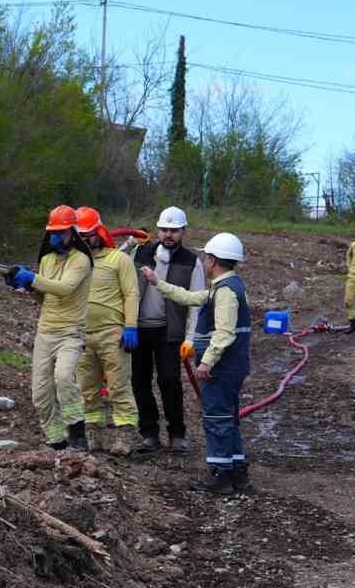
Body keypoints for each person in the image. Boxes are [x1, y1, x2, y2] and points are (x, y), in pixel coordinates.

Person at [141, 232, 252, 495]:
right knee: (228, 418)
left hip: (223, 369)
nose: (204, 260)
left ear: (213, 260)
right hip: (231, 368)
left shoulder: (225, 292)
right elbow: (189, 297)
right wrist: (158, 282)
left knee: (217, 419)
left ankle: (220, 476)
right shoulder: (227, 286)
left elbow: (224, 334)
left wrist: (207, 363)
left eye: (207, 257)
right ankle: (237, 472)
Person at [6, 206, 93, 451]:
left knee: (64, 377)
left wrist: (31, 278)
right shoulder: (46, 259)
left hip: (70, 333)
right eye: (53, 232)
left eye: (61, 232)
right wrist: (26, 287)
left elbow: (64, 288)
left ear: (72, 233)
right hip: (45, 333)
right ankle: (57, 441)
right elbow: (45, 297)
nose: (56, 237)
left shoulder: (81, 260)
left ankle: (78, 435)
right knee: (40, 394)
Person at [131, 206, 206, 453]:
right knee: (140, 382)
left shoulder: (192, 262)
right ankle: (149, 433)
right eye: (164, 229)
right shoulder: (140, 253)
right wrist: (130, 242)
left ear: (183, 231)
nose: (168, 234)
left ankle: (177, 434)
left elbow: (196, 302)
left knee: (169, 381)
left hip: (169, 331)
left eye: (174, 230)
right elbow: (112, 266)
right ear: (158, 230)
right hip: (138, 329)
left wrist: (190, 338)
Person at [69, 207, 141, 456]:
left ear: (98, 232)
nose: (83, 240)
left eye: (87, 235)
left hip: (113, 334)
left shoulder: (118, 260)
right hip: (82, 336)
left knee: (119, 386)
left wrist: (130, 326)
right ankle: (93, 434)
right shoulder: (76, 263)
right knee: (87, 389)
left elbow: (131, 294)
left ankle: (124, 435)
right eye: (79, 236)